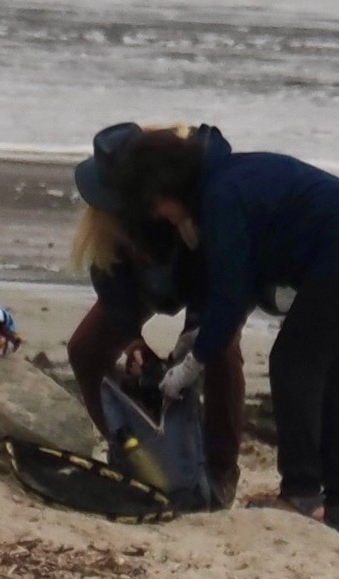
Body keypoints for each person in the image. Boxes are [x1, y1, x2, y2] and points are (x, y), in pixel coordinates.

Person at [113, 126, 339, 537]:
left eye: (154, 203)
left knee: (293, 364)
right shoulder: (230, 179)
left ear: (168, 186)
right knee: (333, 375)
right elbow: (241, 282)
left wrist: (191, 365)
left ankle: (301, 493)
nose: (156, 214)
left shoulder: (220, 197)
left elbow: (231, 294)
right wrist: (198, 339)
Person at [69, 122, 245, 508]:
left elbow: (221, 280)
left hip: (206, 279)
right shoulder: (109, 224)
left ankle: (220, 469)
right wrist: (135, 343)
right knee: (85, 349)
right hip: (148, 284)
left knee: (221, 348)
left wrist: (196, 340)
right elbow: (113, 286)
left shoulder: (190, 199)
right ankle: (129, 449)